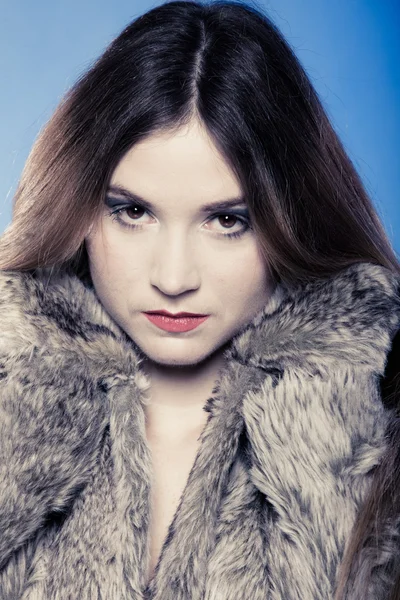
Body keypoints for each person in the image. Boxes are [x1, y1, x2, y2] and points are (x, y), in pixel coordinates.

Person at [0, 0, 399, 598]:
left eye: (227, 221)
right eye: (133, 212)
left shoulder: (377, 433)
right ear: (79, 209)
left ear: (291, 219)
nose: (174, 275)